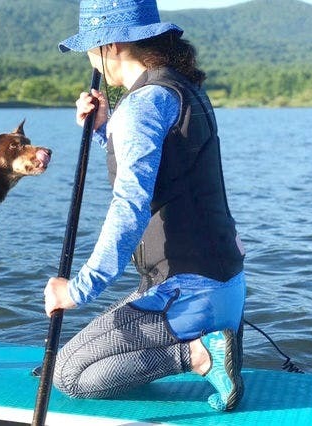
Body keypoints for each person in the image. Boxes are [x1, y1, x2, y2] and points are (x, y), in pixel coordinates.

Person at [43, 0, 246, 411]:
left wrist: (79, 289)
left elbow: (130, 206)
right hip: (226, 284)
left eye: (90, 48)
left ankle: (199, 354)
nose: (90, 59)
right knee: (98, 357)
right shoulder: (180, 89)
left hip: (189, 291)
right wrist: (104, 129)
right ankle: (205, 339)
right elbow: (168, 170)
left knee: (68, 373)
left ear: (112, 45)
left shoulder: (142, 104)